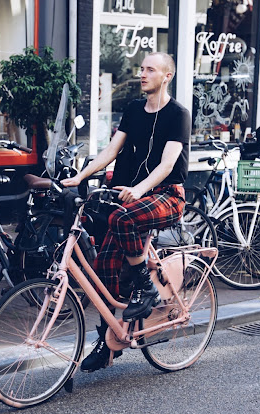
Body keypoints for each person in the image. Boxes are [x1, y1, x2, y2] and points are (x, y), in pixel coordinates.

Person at [61, 52, 191, 372]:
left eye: (150, 69)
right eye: (141, 68)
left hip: (166, 194)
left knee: (122, 218)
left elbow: (168, 163)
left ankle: (146, 288)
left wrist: (141, 188)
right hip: (133, 197)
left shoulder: (178, 114)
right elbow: (111, 151)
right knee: (103, 265)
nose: (142, 73)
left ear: (166, 76)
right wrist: (80, 176)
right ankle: (109, 342)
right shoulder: (134, 110)